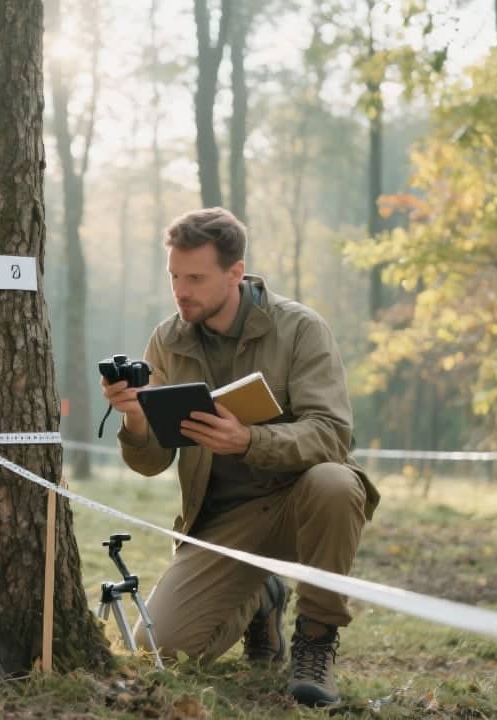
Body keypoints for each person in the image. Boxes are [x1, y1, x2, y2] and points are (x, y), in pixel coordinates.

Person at [100, 208, 379, 707]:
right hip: (220, 524)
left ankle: (315, 640)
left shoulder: (300, 329)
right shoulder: (168, 339)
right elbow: (150, 463)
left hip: (300, 503)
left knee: (336, 482)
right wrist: (135, 419)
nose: (181, 290)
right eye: (174, 277)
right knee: (157, 648)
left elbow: (333, 434)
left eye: (195, 278)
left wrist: (248, 441)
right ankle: (263, 597)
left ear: (235, 272)